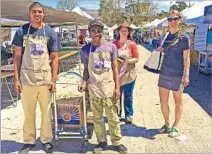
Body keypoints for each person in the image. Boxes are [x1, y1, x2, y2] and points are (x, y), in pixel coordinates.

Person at [12, 2, 59, 153]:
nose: (37, 14)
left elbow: (55, 57)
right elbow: (17, 57)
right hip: (27, 79)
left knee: (46, 112)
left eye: (40, 12)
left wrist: (53, 79)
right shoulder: (21, 32)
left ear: (43, 14)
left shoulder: (50, 32)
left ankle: (46, 140)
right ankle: (28, 141)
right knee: (28, 112)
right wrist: (16, 79)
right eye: (34, 12)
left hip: (45, 80)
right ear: (29, 14)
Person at [79, 19, 127, 154]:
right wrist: (84, 82)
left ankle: (117, 142)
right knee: (97, 118)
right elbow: (86, 70)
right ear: (89, 32)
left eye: (99, 31)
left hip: (109, 89)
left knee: (113, 117)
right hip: (94, 89)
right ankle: (101, 142)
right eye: (93, 31)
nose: (96, 33)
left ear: (103, 32)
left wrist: (117, 88)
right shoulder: (85, 49)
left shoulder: (111, 47)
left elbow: (115, 69)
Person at [157, 10, 190, 137]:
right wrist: (161, 49)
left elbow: (186, 59)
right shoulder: (165, 36)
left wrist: (186, 75)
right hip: (164, 72)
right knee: (163, 101)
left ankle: (175, 126)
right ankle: (167, 124)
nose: (172, 22)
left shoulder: (184, 37)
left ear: (179, 20)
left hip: (177, 74)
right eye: (170, 19)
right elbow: (164, 51)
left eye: (175, 19)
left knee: (178, 102)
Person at [113, 22, 139, 124]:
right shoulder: (113, 44)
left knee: (128, 95)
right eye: (122, 30)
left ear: (128, 32)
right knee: (116, 95)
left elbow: (136, 58)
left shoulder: (132, 44)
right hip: (117, 75)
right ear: (118, 31)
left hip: (129, 75)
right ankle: (117, 114)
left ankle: (129, 115)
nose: (124, 32)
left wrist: (127, 61)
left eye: (126, 31)